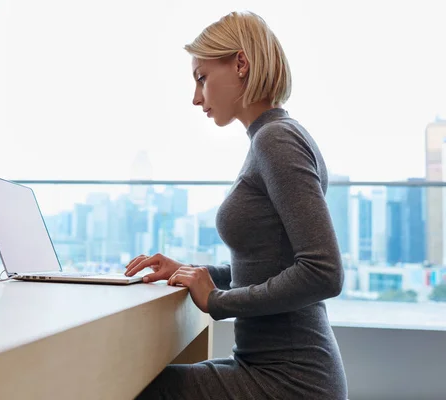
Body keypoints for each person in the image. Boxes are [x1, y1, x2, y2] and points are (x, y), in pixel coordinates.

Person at [124, 10, 348, 400]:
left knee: (137, 388)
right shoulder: (271, 138)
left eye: (201, 78)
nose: (196, 98)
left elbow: (323, 272)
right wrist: (193, 272)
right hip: (266, 368)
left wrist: (216, 300)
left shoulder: (276, 140)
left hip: (292, 382)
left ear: (241, 64)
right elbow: (268, 262)